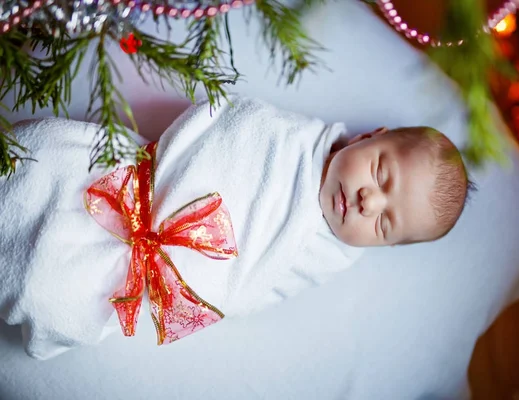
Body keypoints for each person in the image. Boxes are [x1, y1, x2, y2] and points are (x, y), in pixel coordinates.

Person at [0, 97, 472, 360]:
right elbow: (229, 123)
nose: (370, 200)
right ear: (371, 138)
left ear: (381, 245)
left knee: (54, 291)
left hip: (140, 275)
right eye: (380, 173)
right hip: (136, 183)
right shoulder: (287, 141)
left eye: (385, 223)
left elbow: (245, 292)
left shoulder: (321, 258)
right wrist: (169, 194)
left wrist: (184, 276)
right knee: (40, 169)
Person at [320, 126, 473, 247]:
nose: (368, 203)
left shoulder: (326, 255)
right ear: (367, 138)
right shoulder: (305, 139)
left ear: (388, 243)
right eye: (379, 175)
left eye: (383, 224)